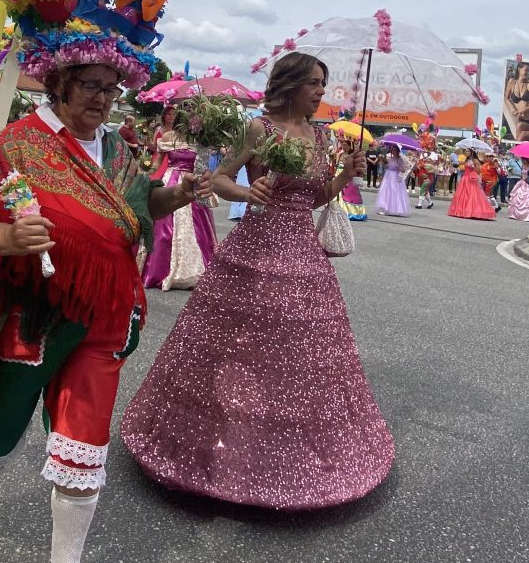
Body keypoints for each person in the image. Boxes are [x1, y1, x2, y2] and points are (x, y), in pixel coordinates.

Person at [0, 60, 209, 563]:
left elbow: (136, 206)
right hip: (34, 318)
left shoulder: (122, 148)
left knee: (84, 447)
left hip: (106, 318)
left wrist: (175, 195)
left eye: (112, 90)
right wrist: (4, 238)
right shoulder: (18, 145)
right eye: (91, 87)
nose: (104, 100)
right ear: (58, 86)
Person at [121, 51, 394, 510]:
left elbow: (315, 199)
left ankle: (286, 466)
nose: (320, 94)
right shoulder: (258, 129)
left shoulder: (323, 136)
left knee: (295, 364)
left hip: (305, 256)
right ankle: (213, 457)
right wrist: (249, 191)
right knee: (234, 351)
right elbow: (221, 179)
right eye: (314, 84)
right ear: (289, 85)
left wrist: (346, 174)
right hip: (254, 250)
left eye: (323, 86)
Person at [141, 124, 218, 290]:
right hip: (170, 180)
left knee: (196, 227)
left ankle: (190, 268)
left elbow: (203, 167)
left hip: (190, 181)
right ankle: (158, 270)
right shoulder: (168, 136)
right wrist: (147, 172)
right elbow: (159, 160)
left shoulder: (200, 138)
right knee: (163, 227)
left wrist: (206, 177)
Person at [447, 152, 496, 220]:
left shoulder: (475, 160)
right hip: (465, 178)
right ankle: (461, 210)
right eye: (466, 151)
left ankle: (472, 211)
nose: (466, 152)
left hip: (471, 178)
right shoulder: (466, 160)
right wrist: (458, 167)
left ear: (471, 152)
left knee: (472, 195)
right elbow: (464, 169)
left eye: (468, 151)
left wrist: (473, 167)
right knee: (462, 194)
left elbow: (479, 170)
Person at [504, 61, 529, 141]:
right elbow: (506, 98)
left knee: (521, 128)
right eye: (526, 70)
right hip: (521, 119)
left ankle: (515, 151)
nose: (527, 72)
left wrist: (526, 109)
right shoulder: (512, 82)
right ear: (519, 69)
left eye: (528, 70)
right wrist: (512, 108)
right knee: (520, 128)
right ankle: (517, 151)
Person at [375, 143, 410, 216]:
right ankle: (384, 208)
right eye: (392, 150)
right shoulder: (390, 158)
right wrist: (382, 161)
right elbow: (388, 166)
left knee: (394, 191)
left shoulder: (399, 159)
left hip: (395, 177)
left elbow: (404, 170)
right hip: (388, 176)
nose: (393, 151)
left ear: (397, 151)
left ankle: (396, 209)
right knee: (385, 191)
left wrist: (399, 167)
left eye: (394, 150)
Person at [508, 157, 529, 223]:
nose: (522, 161)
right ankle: (515, 214)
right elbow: (521, 174)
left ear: (527, 160)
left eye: (523, 160)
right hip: (521, 182)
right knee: (516, 195)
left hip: (528, 182)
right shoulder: (522, 165)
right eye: (522, 160)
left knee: (528, 197)